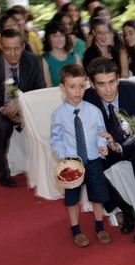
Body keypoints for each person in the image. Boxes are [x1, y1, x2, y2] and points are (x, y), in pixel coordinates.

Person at [84, 57, 135, 242]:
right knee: (85, 163)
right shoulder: (87, 99)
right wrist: (101, 144)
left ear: (118, 80)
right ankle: (124, 208)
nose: (108, 89)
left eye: (112, 82)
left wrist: (120, 146)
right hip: (106, 149)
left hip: (134, 145)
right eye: (101, 84)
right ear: (91, 84)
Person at [50, 63, 114, 247]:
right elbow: (56, 138)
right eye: (72, 87)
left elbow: (101, 132)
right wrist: (62, 155)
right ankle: (76, 230)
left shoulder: (93, 111)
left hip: (93, 160)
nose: (77, 91)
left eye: (81, 86)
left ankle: (100, 226)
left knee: (98, 195)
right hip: (71, 163)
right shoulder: (59, 115)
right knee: (72, 198)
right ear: (62, 88)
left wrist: (102, 146)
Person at [0, 28, 45, 187]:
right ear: (1, 47)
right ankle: (2, 172)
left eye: (16, 49)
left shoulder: (33, 60)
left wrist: (21, 103)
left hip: (23, 106)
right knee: (3, 125)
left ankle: (42, 168)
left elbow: (39, 90)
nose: (12, 54)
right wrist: (3, 109)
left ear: (23, 46)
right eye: (7, 49)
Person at [42, 21, 80, 87]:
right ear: (48, 38)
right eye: (55, 36)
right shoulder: (45, 59)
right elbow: (48, 87)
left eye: (62, 35)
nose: (59, 39)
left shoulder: (75, 57)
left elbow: (82, 81)